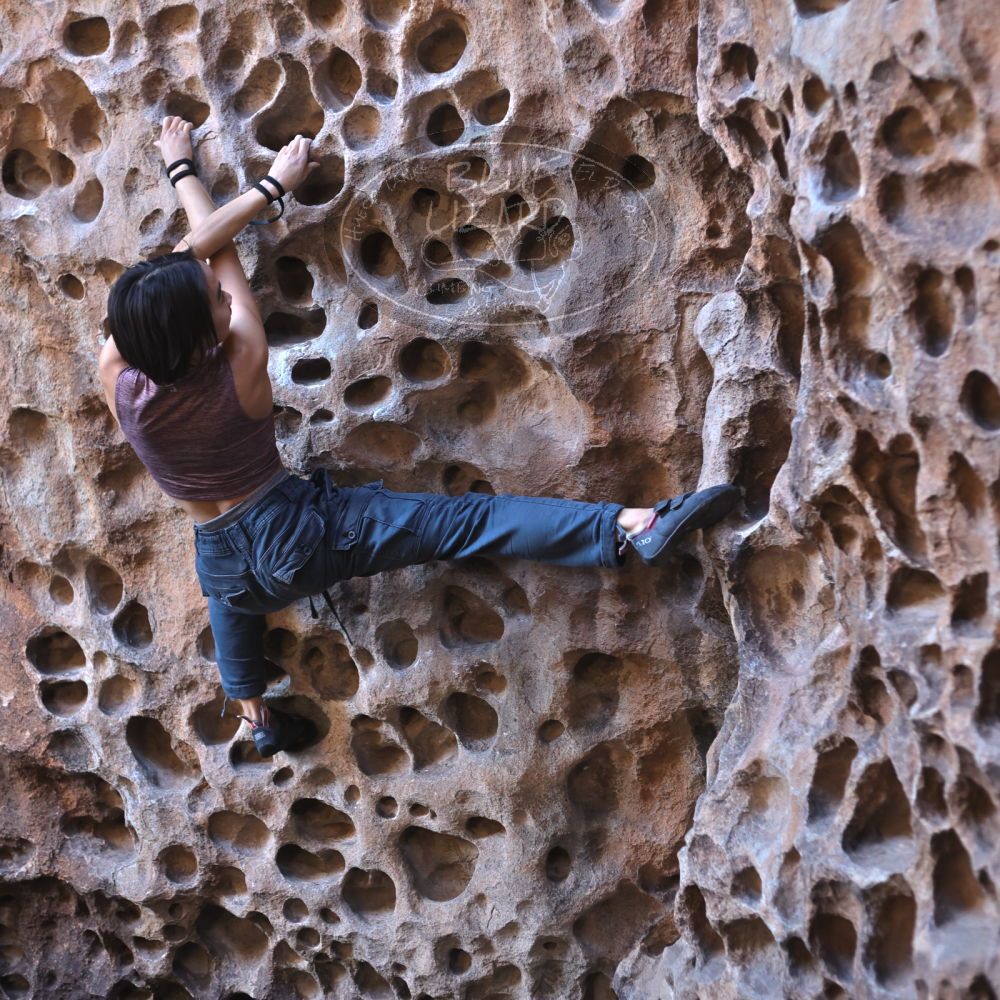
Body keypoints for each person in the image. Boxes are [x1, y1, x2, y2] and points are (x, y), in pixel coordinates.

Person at [98, 117, 740, 758]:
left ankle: (253, 713)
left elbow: (188, 270)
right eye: (216, 300)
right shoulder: (242, 354)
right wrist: (265, 186)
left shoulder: (118, 377)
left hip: (224, 559)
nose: (223, 296)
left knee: (230, 595)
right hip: (297, 534)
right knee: (467, 522)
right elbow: (214, 251)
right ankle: (630, 527)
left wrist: (183, 171)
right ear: (201, 332)